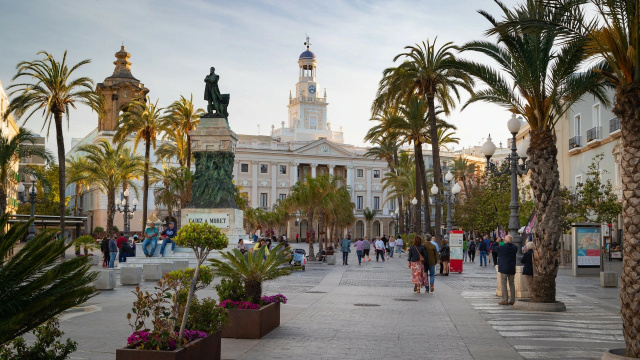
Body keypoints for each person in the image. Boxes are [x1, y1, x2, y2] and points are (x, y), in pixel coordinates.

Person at [497, 235, 518, 305]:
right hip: (511, 267)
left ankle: (505, 300)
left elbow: (493, 248)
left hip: (503, 268)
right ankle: (512, 300)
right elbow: (514, 245)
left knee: (504, 284)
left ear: (505, 241)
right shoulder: (515, 248)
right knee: (512, 283)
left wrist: (497, 242)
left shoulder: (502, 248)